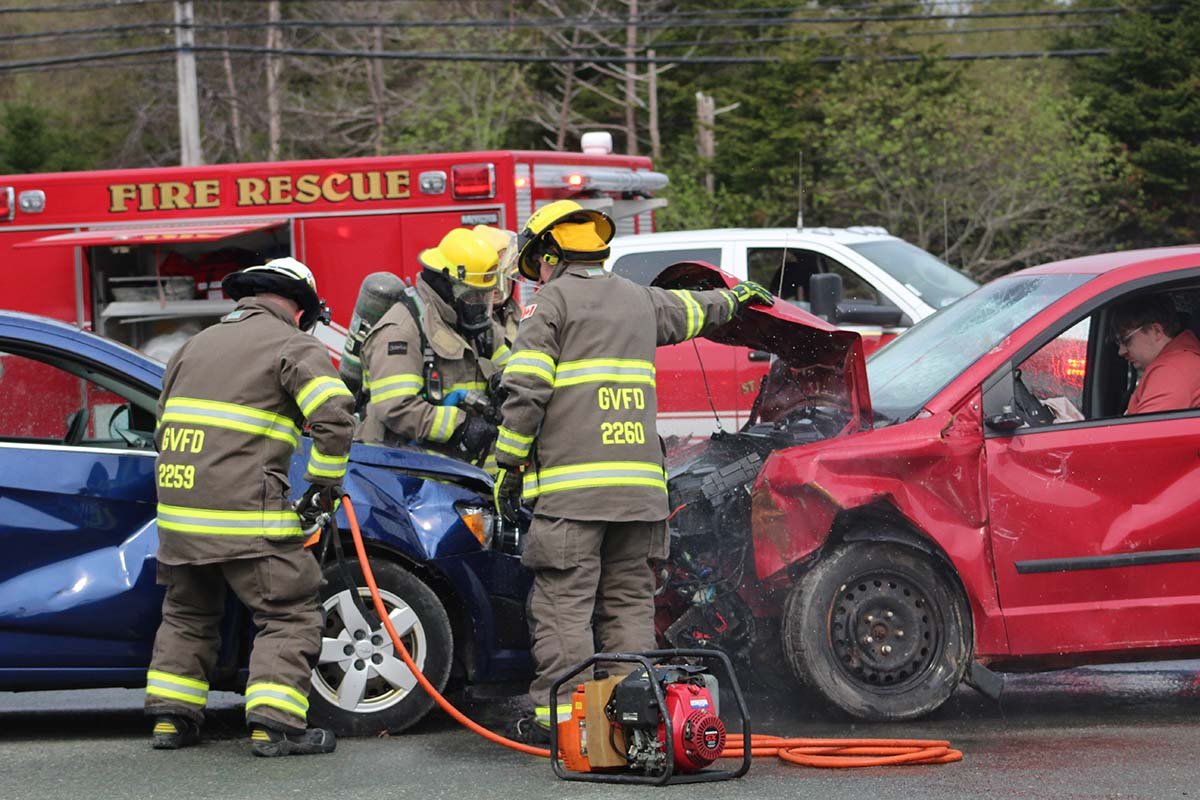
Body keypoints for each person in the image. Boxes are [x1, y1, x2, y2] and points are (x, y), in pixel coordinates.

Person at [491, 200, 774, 741]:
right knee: (627, 605)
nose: (538, 275)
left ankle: (565, 725)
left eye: (538, 264)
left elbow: (525, 391)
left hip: (573, 497)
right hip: (642, 497)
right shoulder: (641, 302)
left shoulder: (549, 306)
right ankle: (631, 721)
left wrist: (507, 465)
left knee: (563, 607)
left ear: (550, 256)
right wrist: (735, 298)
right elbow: (696, 310)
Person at [145, 257, 356, 757]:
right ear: (301, 308)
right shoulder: (292, 344)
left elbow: (160, 431)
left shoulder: (192, 346)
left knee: (188, 614)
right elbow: (335, 418)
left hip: (179, 517)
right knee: (288, 613)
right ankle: (275, 726)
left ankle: (172, 721)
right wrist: (322, 486)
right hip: (246, 516)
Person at [357, 228, 504, 464]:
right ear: (446, 286)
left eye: (484, 296)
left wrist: (509, 381)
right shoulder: (402, 330)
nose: (480, 305)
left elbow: (508, 370)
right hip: (408, 479)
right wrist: (461, 426)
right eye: (472, 296)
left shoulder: (474, 326)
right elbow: (396, 406)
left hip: (465, 475)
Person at [1110, 294, 1200, 415]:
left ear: (1156, 331)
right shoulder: (1182, 361)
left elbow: (1141, 432)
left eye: (1126, 340)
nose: (1121, 351)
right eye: (1118, 342)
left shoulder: (1172, 371)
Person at [473, 224, 522, 368]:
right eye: (488, 279)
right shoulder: (467, 324)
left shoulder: (522, 317)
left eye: (502, 278)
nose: (496, 288)